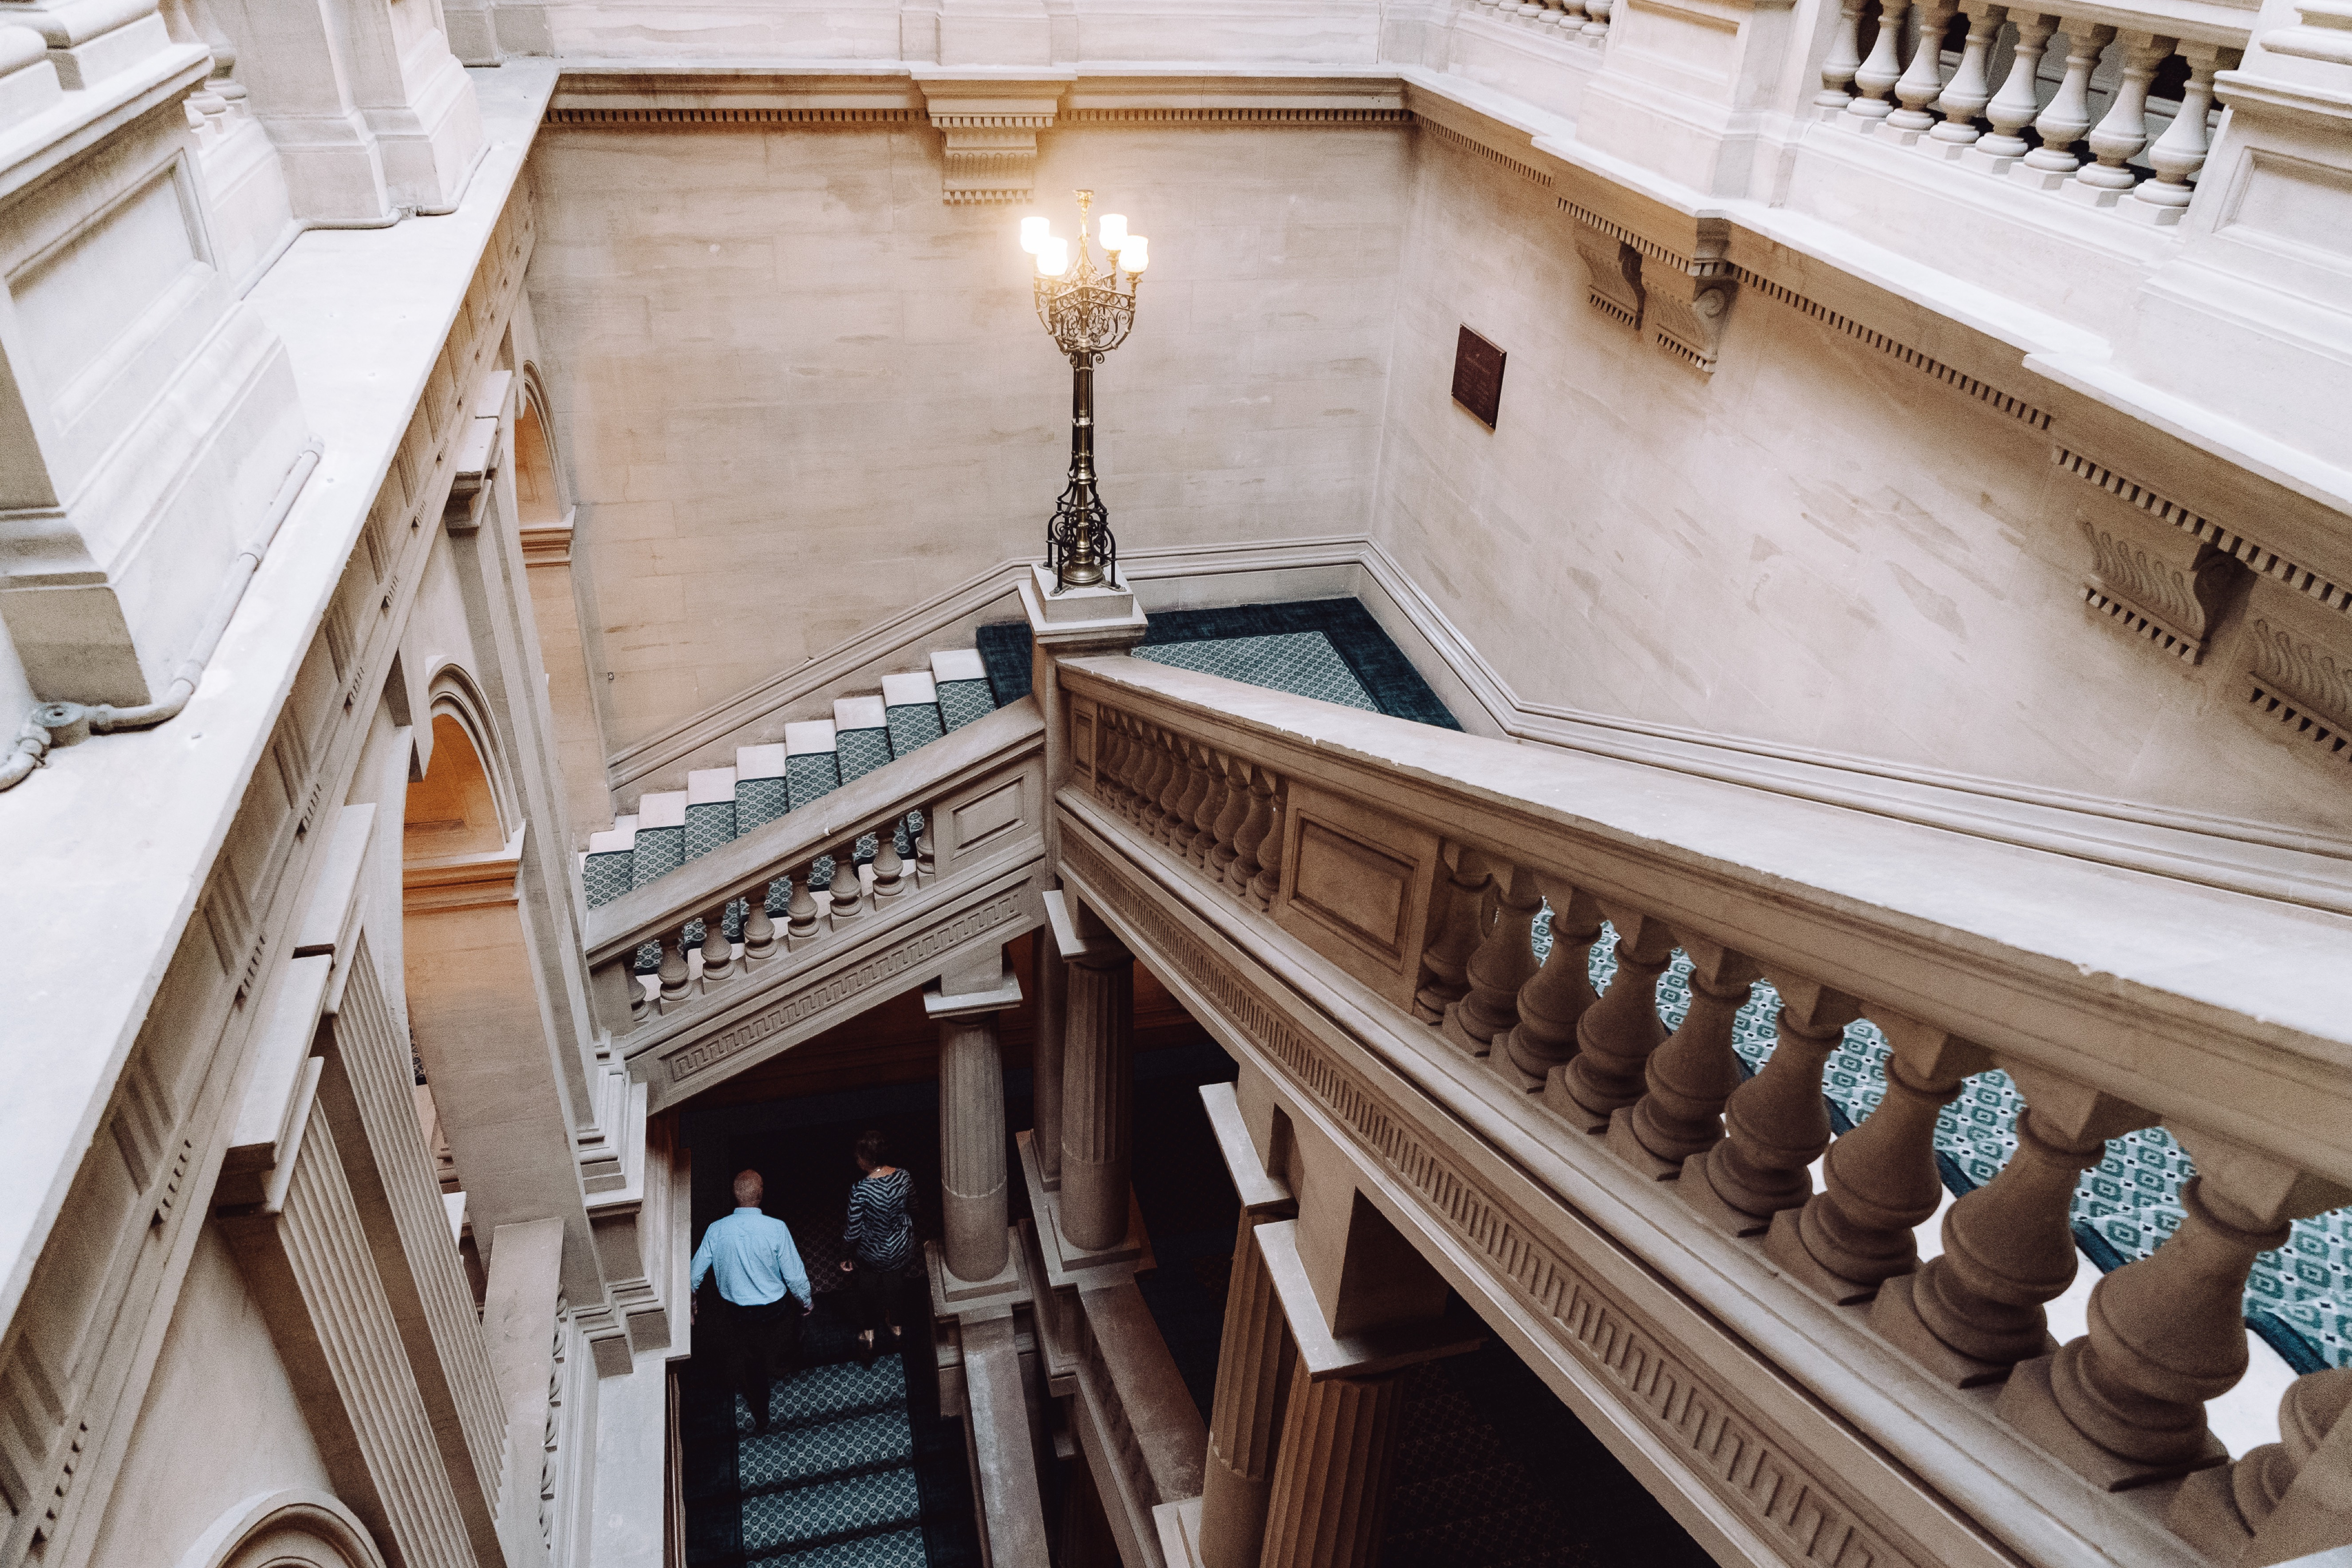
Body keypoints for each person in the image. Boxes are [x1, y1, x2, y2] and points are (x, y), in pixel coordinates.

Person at [689, 1169, 813, 1434]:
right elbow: (794, 1275)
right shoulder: (776, 1228)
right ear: (761, 1194)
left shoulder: (716, 1230)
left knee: (752, 1365)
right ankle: (780, 1367)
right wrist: (806, 1302)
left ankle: (762, 1417)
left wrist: (693, 1301)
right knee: (784, 1342)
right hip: (775, 1309)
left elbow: (694, 1274)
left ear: (735, 1195)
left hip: (738, 1314)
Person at [838, 1130, 915, 1362]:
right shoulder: (904, 1177)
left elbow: (853, 1230)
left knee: (867, 1292)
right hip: (900, 1248)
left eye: (858, 1156)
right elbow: (914, 1206)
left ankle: (869, 1335)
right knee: (896, 1285)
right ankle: (897, 1329)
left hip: (871, 1253)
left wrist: (845, 1254)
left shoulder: (860, 1190)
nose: (856, 1160)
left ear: (868, 1160)